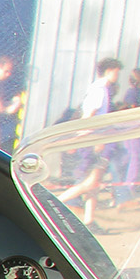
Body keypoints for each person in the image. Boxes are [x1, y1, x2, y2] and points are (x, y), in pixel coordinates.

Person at [56, 58, 123, 225]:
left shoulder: (102, 89)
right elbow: (89, 117)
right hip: (93, 141)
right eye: (116, 71)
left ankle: (89, 220)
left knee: (94, 182)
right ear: (109, 71)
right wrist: (80, 139)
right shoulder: (99, 90)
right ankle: (54, 203)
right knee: (91, 181)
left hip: (93, 140)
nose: (118, 75)